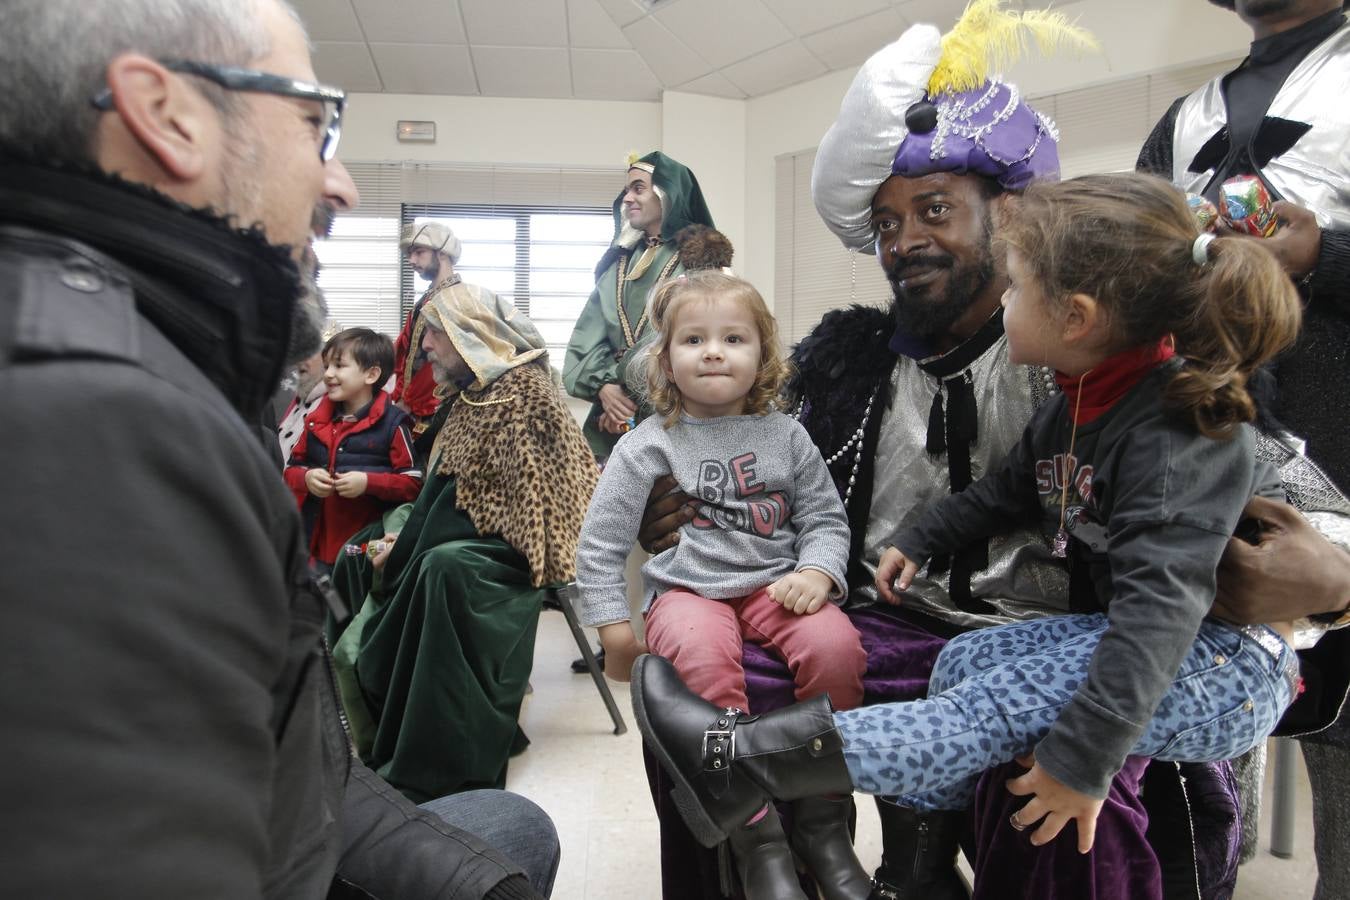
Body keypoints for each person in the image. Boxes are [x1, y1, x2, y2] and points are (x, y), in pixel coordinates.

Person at [639, 5, 1350, 900]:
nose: (904, 242)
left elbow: (1295, 506)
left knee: (1049, 788)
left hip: (1080, 654)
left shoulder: (1133, 369)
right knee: (693, 691)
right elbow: (760, 482)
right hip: (890, 630)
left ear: (1008, 214)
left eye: (934, 210)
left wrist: (1336, 578)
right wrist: (689, 507)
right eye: (888, 223)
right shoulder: (846, 365)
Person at [0, 0, 558, 896]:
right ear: (167, 115)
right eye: (315, 123)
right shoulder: (99, 415)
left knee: (505, 835)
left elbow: (290, 762)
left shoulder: (175, 369)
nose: (341, 185)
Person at [1136, 3, 1350, 896]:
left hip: (1338, 453)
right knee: (1206, 747)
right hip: (1206, 453)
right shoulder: (1184, 118)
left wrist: (1324, 257)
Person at [575, 271, 870, 900]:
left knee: (837, 649)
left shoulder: (788, 435)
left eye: (733, 338)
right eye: (693, 339)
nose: (713, 351)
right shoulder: (644, 444)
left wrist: (818, 571)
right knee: (702, 665)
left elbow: (823, 518)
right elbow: (599, 545)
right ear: (664, 358)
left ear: (763, 355)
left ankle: (823, 822)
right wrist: (613, 628)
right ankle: (754, 831)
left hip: (777, 582)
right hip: (687, 592)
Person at [329, 283, 599, 804]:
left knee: (441, 571)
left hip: (509, 560)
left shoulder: (522, 397)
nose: (424, 346)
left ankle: (438, 760)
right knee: (355, 552)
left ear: (469, 334)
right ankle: (367, 716)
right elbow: (448, 497)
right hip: (466, 537)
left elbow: (530, 517)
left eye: (433, 333)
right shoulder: (474, 392)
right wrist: (399, 538)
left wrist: (406, 548)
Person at [563, 151, 716, 461]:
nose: (627, 198)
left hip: (677, 415)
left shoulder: (700, 266)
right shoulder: (616, 266)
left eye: (638, 188)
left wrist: (629, 392)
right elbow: (587, 339)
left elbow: (696, 340)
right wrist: (606, 389)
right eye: (626, 190)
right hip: (614, 423)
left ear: (666, 195)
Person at [284, 327, 422, 575]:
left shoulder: (393, 424)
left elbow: (412, 483)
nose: (328, 374)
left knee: (353, 602)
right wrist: (306, 478)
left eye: (338, 366)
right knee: (317, 606)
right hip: (314, 545)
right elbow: (291, 469)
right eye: (327, 366)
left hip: (364, 547)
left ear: (371, 374)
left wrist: (368, 482)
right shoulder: (316, 420)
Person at [394, 220, 462, 463]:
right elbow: (403, 353)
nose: (411, 260)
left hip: (440, 411)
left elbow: (443, 359)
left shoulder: (459, 300)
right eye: (410, 253)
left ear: (442, 253)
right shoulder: (424, 301)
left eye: (419, 252)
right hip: (410, 412)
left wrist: (409, 402)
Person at [277, 347, 329, 459]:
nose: (301, 361)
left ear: (325, 360)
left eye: (309, 354)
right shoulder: (299, 400)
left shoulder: (331, 402)